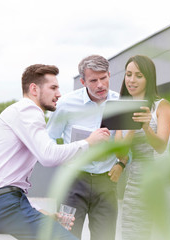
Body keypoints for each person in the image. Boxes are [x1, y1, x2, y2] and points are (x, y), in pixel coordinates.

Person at [0, 64, 111, 240]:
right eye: (53, 88)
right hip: (0, 206)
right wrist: (88, 142)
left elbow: (9, 184)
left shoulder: (20, 113)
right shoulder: (28, 110)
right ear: (34, 89)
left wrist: (38, 213)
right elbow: (48, 155)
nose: (59, 94)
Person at [47, 55, 123, 240]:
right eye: (93, 80)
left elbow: (127, 141)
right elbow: (48, 138)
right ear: (83, 81)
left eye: (104, 78)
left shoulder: (120, 103)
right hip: (72, 184)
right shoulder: (65, 104)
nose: (100, 85)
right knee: (66, 236)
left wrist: (121, 163)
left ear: (109, 75)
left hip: (106, 184)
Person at [114, 55, 170, 240]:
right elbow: (121, 153)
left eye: (139, 75)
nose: (132, 80)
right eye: (128, 74)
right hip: (134, 185)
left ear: (148, 78)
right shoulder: (121, 108)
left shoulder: (162, 106)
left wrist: (147, 127)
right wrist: (133, 127)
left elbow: (161, 147)